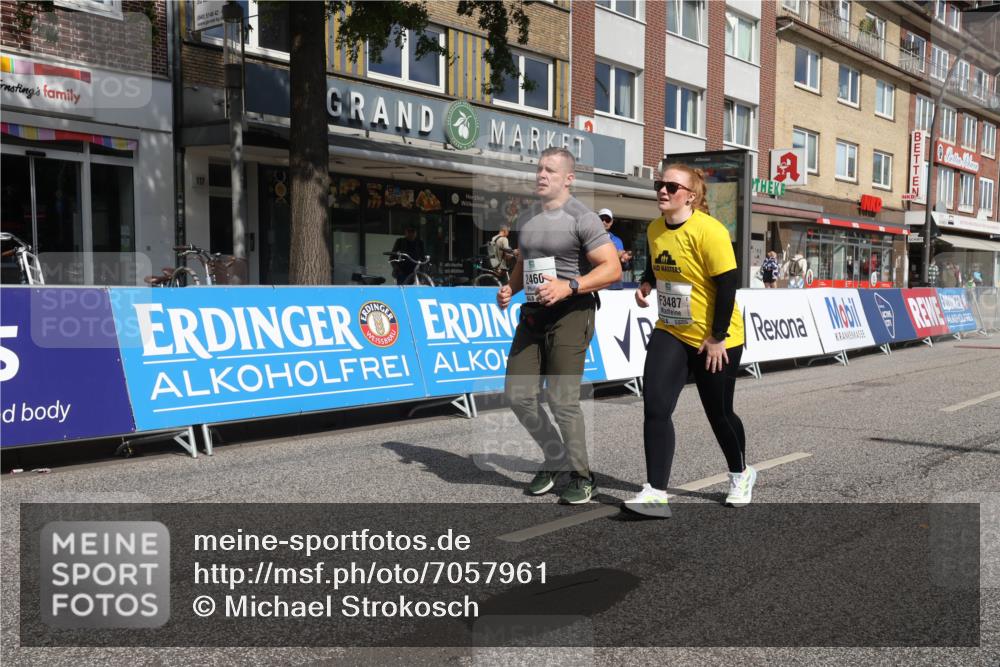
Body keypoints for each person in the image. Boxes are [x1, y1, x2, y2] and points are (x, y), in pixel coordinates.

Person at [624, 164, 751, 518]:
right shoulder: (653, 228)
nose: (663, 191)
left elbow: (728, 286)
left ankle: (741, 473)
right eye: (659, 185)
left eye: (671, 186)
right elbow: (659, 261)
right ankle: (655, 493)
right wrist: (648, 281)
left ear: (690, 196)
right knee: (656, 406)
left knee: (719, 413)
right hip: (672, 330)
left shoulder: (709, 231)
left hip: (717, 338)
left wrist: (716, 337)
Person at [497, 147, 622, 505]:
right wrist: (510, 288)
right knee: (518, 395)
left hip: (572, 313)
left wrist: (569, 286)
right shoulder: (529, 217)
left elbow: (611, 269)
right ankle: (555, 457)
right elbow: (524, 263)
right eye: (538, 169)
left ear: (568, 178)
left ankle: (583, 476)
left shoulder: (583, 218)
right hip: (533, 315)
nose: (541, 175)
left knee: (561, 399)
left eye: (550, 170)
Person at [598, 208, 632, 289]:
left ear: (611, 222)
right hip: (597, 285)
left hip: (615, 285)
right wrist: (615, 255)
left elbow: (624, 266)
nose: (604, 222)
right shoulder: (589, 238)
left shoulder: (617, 240)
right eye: (601, 219)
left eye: (607, 219)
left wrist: (624, 260)